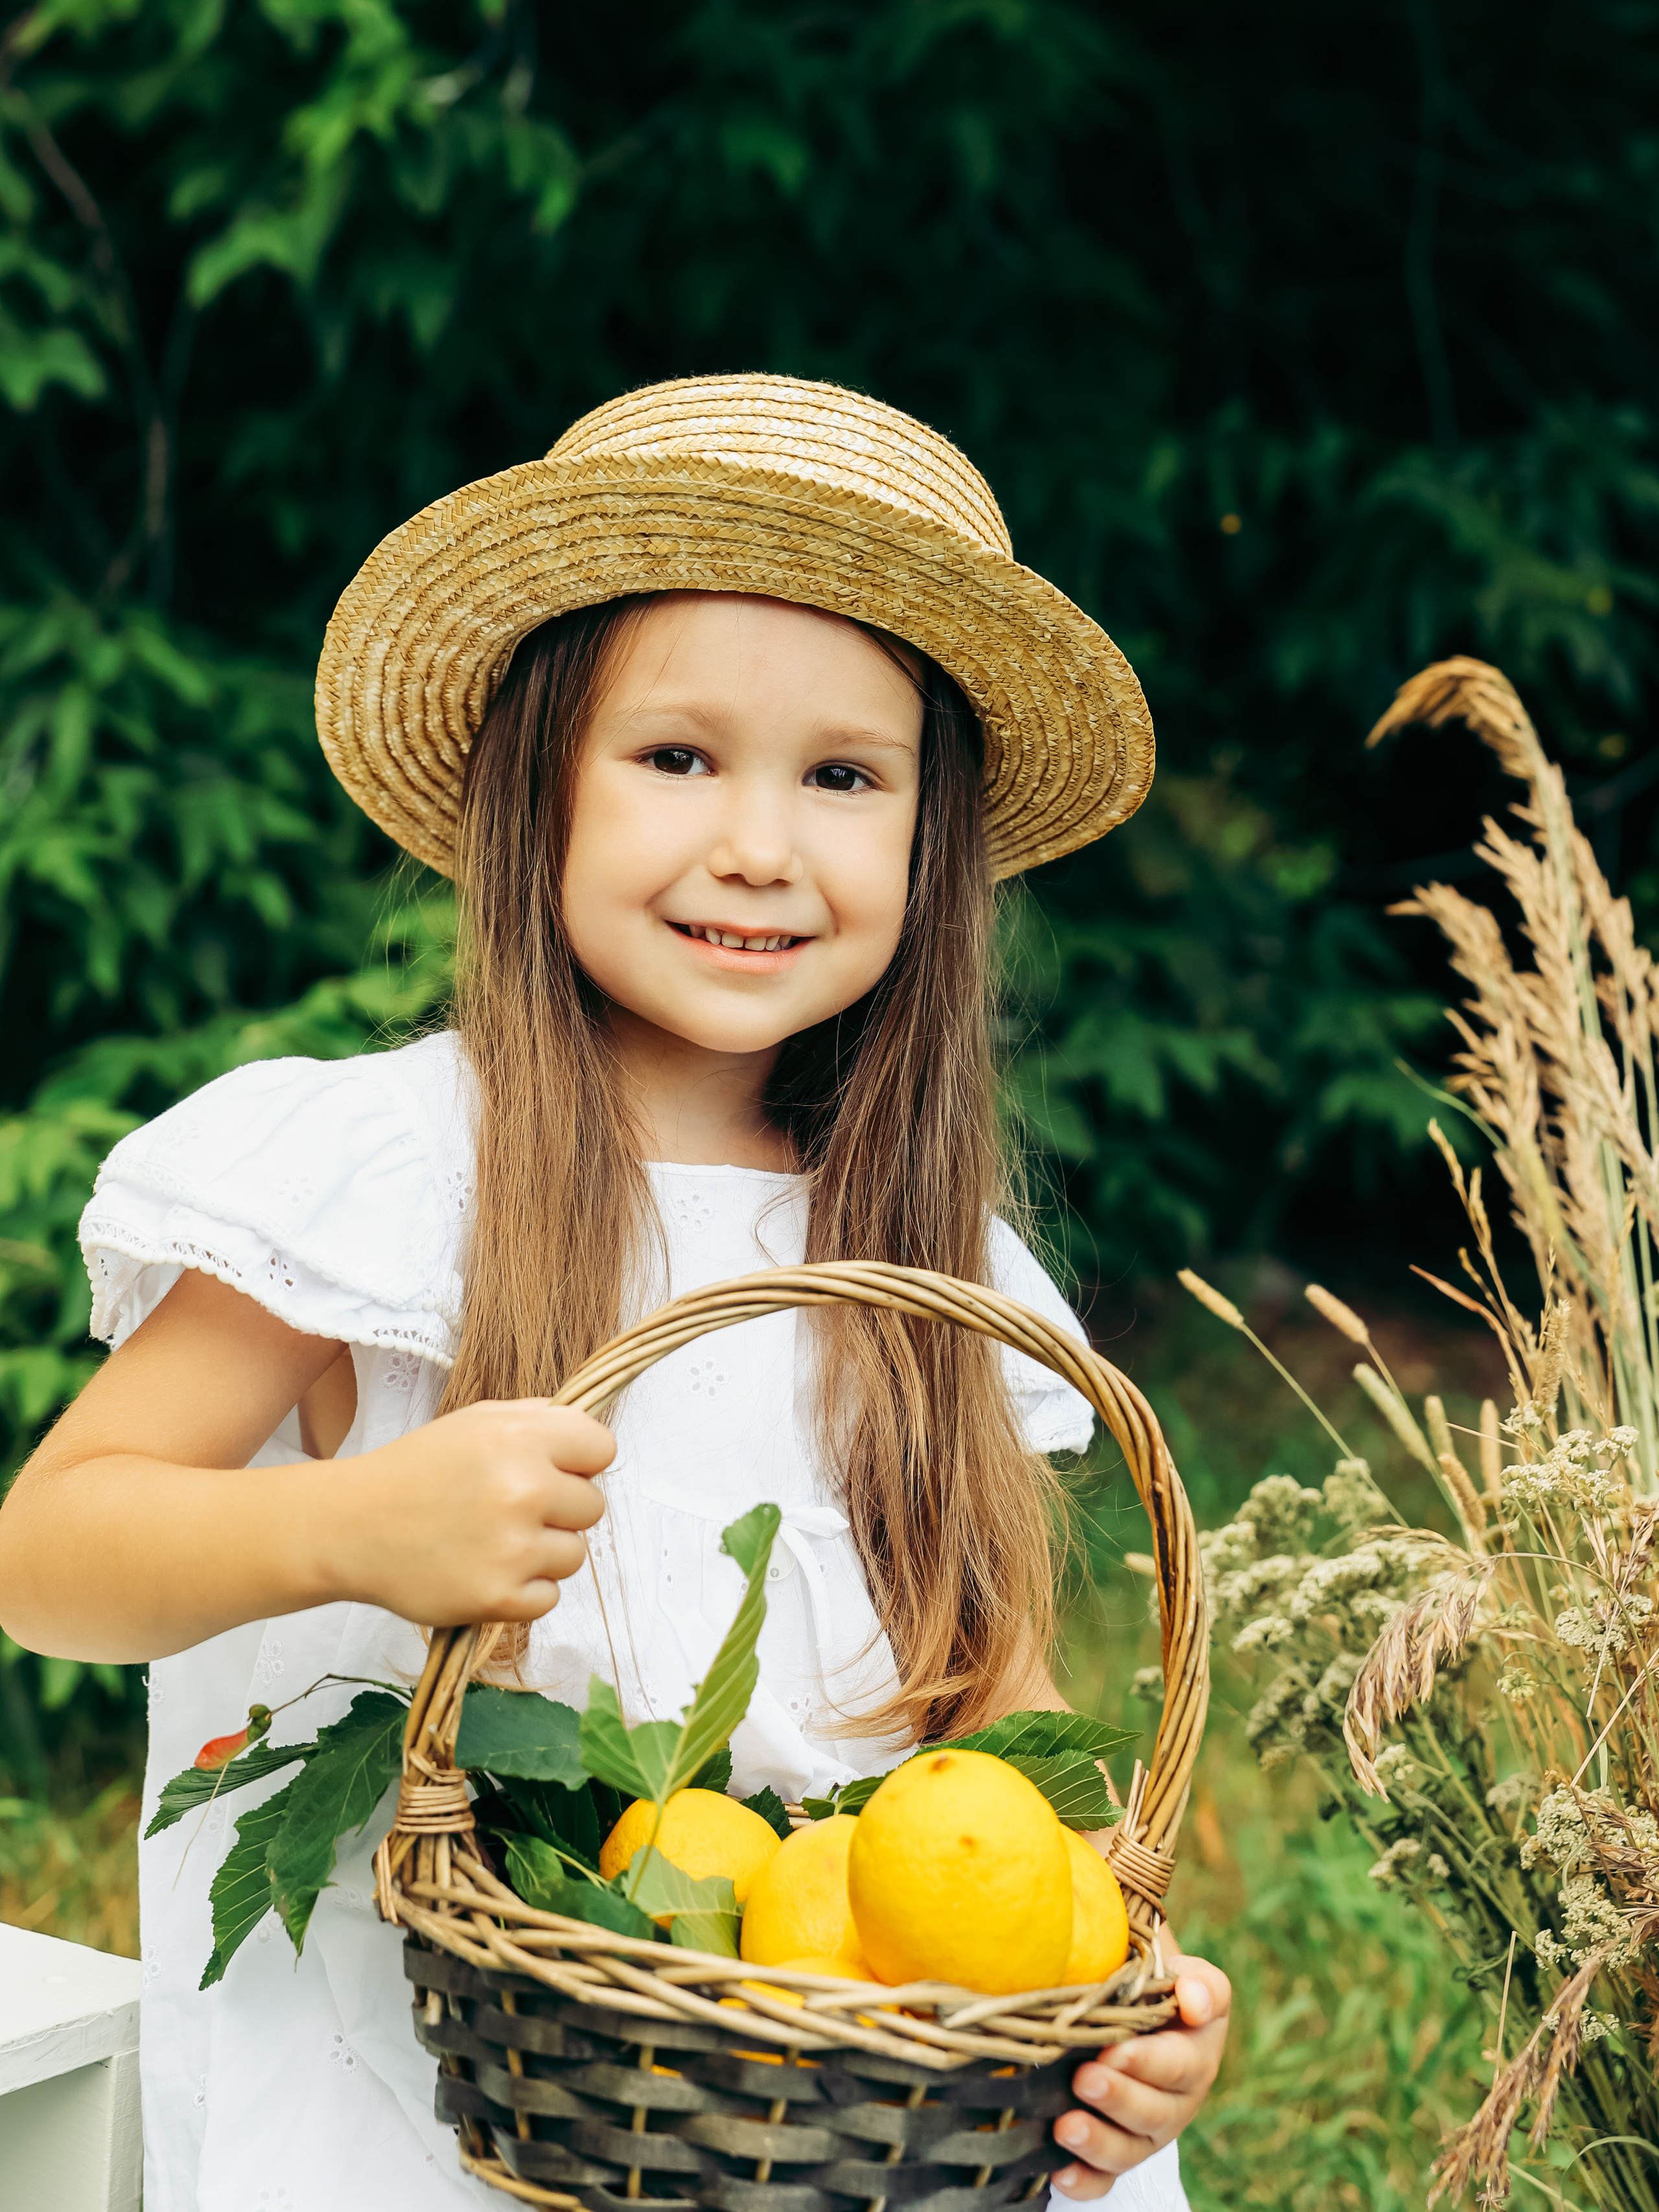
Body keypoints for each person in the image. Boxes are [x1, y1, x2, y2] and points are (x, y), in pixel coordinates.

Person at [0, 375, 1229, 2211]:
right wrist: (350, 1525)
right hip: (446, 2108)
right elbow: (51, 1554)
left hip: (866, 2128)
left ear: (929, 844)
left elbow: (1002, 1745)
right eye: (678, 757)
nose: (759, 844)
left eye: (842, 777)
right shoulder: (380, 1179)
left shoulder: (934, 1264)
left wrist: (1126, 1988)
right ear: (538, 777)